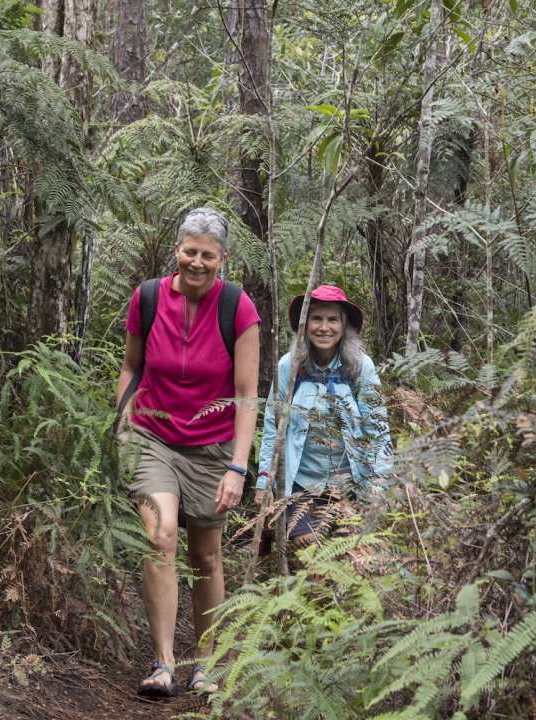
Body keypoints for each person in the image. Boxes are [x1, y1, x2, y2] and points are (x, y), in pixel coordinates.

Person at [116, 207, 260, 697]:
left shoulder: (237, 307)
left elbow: (245, 395)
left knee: (208, 555)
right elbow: (131, 367)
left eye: (208, 255)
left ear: (223, 259)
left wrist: (238, 467)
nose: (197, 262)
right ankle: (162, 663)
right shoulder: (149, 297)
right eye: (189, 251)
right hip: (152, 435)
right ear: (176, 250)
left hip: (214, 445)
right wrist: (122, 424)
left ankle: (207, 664)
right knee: (161, 535)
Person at [255, 284, 391, 547]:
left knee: (348, 555)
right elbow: (273, 427)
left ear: (344, 326)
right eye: (316, 318)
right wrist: (265, 480)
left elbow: (378, 430)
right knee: (308, 546)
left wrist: (378, 487)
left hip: (351, 484)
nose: (324, 327)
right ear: (305, 324)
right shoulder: (288, 366)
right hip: (301, 483)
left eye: (332, 319)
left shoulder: (361, 367)